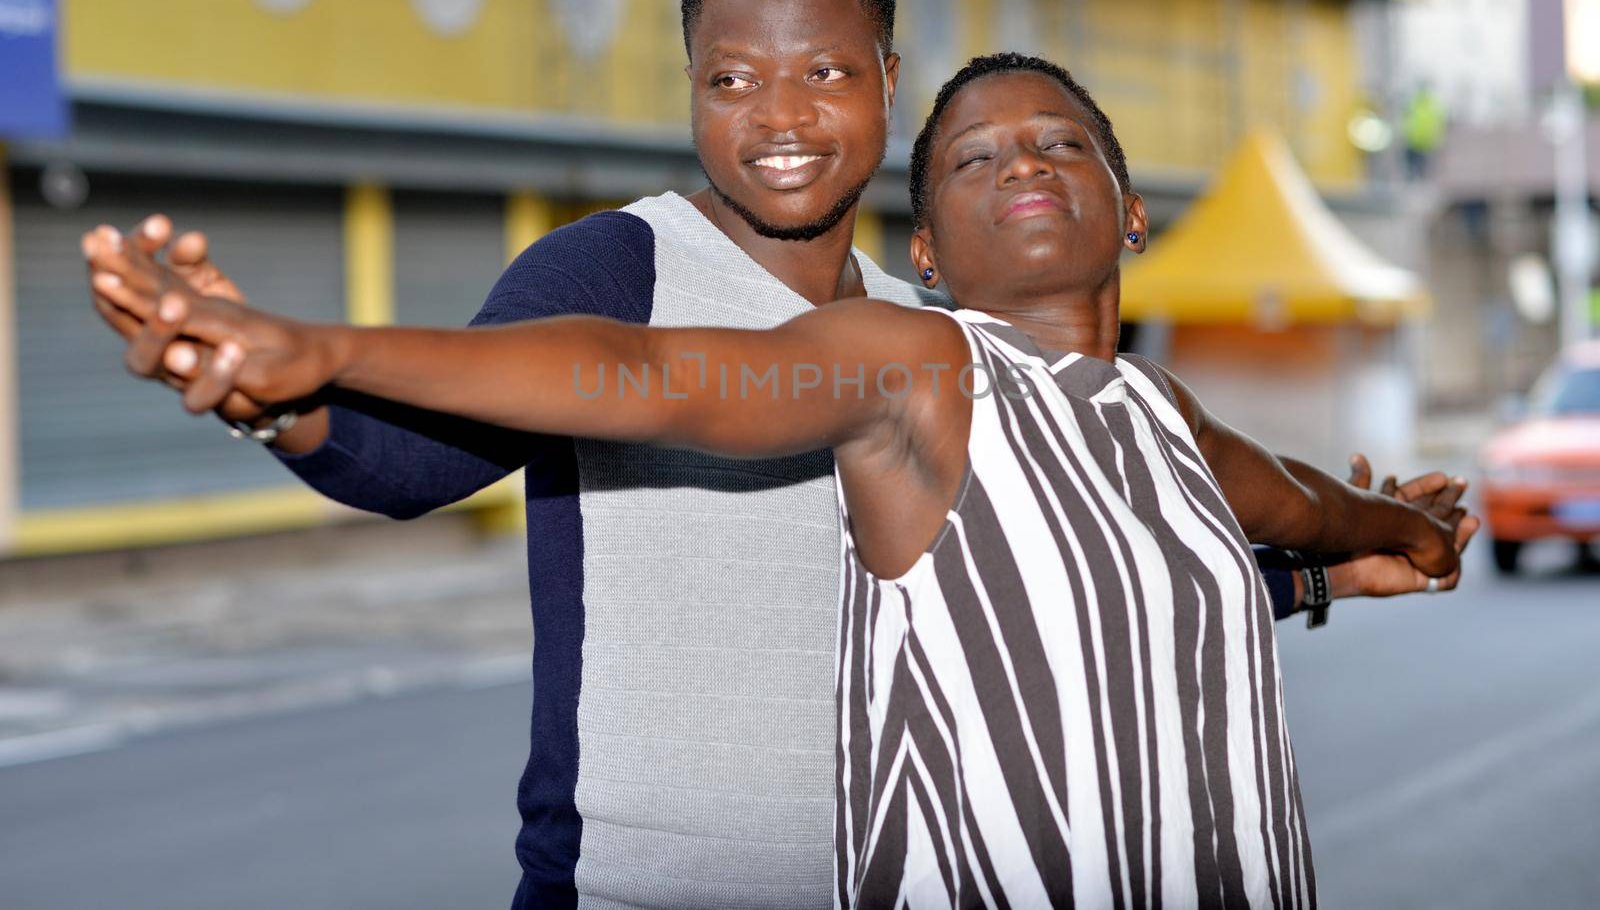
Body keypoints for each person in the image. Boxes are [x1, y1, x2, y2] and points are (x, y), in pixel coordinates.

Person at [87, 52, 1472, 907]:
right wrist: (312, 350)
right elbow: (650, 377)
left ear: (1132, 208)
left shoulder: (1167, 421)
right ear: (925, 252)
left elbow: (1296, 508)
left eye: (1061, 144)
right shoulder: (908, 362)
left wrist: (1394, 532)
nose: (1025, 163)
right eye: (977, 158)